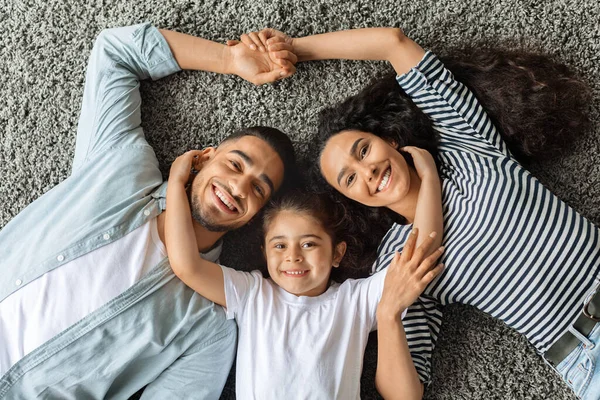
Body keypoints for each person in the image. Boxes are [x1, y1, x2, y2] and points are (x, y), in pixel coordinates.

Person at [237, 27, 600, 398]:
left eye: (363, 150)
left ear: (390, 139)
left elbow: (393, 43)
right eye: (349, 178)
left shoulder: (467, 148)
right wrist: (388, 315)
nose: (368, 172)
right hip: (585, 358)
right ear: (352, 200)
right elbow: (403, 394)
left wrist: (293, 48)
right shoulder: (399, 259)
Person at [0, 23, 298, 399]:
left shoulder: (209, 325)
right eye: (236, 165)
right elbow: (114, 52)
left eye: (258, 189)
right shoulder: (121, 167)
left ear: (256, 215)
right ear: (205, 157)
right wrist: (229, 58)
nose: (238, 188)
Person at [165, 144, 444, 399]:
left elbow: (420, 255)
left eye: (309, 243)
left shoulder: (355, 300)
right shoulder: (252, 293)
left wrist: (430, 180)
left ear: (337, 253)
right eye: (280, 245)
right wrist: (177, 184)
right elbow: (187, 265)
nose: (293, 257)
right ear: (265, 253)